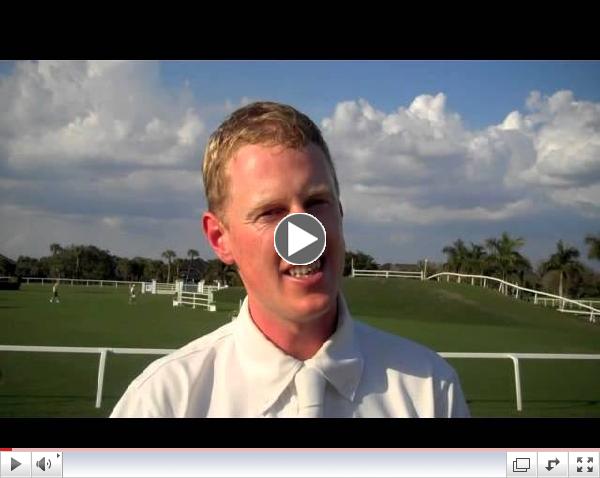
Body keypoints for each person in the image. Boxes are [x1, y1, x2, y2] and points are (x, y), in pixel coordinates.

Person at [111, 101, 470, 418]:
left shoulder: (430, 393)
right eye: (270, 212)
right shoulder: (163, 404)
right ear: (220, 238)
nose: (304, 236)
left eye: (316, 203)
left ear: (340, 213)